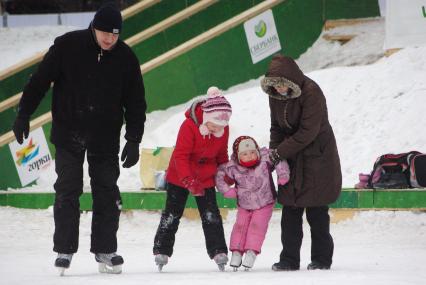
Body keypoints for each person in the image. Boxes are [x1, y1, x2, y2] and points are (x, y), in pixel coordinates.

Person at [12, 3, 146, 275]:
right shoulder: (67, 46)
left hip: (105, 136)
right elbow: (39, 81)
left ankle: (105, 249)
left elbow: (135, 102)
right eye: (105, 33)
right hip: (69, 132)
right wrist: (23, 114)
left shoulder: (126, 57)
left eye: (115, 34)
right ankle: (64, 249)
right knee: (68, 188)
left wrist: (133, 139)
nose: (110, 39)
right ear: (94, 27)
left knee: (107, 191)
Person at [260, 54, 342, 271]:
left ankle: (322, 259)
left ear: (291, 80)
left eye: (281, 84)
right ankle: (289, 260)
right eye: (273, 84)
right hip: (292, 157)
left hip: (317, 157)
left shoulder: (311, 92)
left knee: (316, 212)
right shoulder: (274, 95)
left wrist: (279, 153)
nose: (277, 88)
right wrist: (274, 156)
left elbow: (308, 132)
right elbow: (276, 127)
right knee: (290, 211)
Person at [153, 86, 231, 272]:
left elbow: (221, 154)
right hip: (180, 175)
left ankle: (218, 250)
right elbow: (180, 156)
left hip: (205, 177)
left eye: (222, 126)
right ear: (206, 117)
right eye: (215, 126)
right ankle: (162, 250)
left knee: (211, 215)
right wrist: (188, 180)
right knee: (172, 214)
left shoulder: (222, 129)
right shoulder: (189, 126)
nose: (218, 130)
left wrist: (226, 174)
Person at [215, 135, 290, 271]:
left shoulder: (265, 160)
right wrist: (226, 191)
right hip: (244, 204)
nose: (249, 156)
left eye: (252, 152)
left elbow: (279, 158)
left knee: (257, 226)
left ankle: (251, 252)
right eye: (244, 154)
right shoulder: (233, 167)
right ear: (238, 156)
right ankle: (236, 252)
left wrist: (283, 175)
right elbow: (219, 175)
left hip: (264, 202)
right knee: (240, 226)